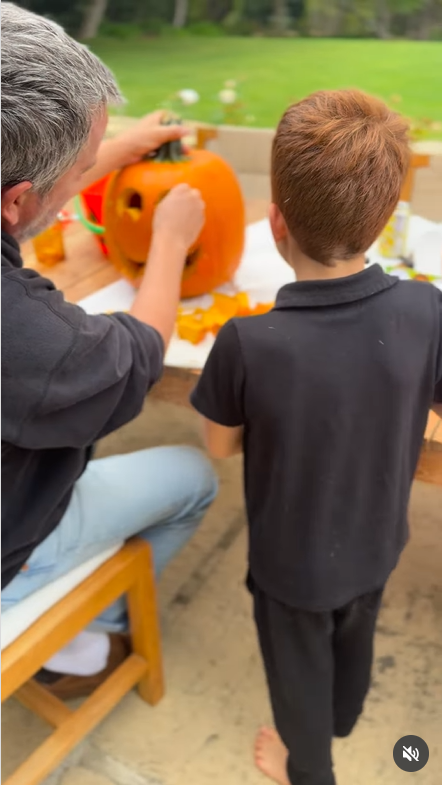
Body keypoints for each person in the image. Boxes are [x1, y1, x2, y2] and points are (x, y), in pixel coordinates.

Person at [191, 89, 442, 785]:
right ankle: (342, 718)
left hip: (292, 568)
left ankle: (308, 764)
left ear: (275, 222)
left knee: (296, 682)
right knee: (355, 640)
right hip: (378, 540)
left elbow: (219, 445)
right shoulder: (427, 306)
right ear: (388, 217)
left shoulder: (247, 341)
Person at [1, 3, 217, 699]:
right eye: (81, 172)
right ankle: (83, 630)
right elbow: (136, 351)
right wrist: (170, 243)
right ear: (18, 200)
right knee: (196, 473)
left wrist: (106, 152)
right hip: (9, 551)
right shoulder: (36, 340)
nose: (81, 189)